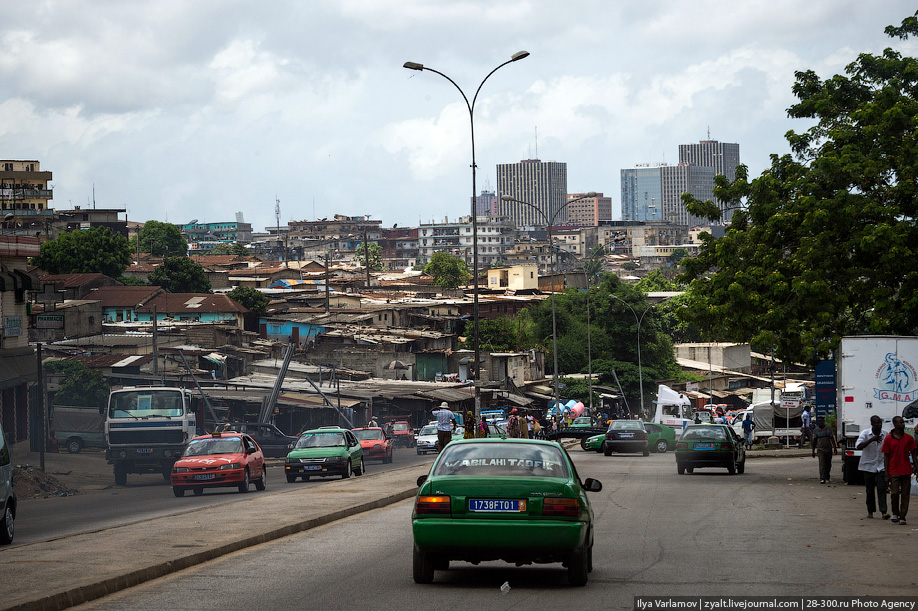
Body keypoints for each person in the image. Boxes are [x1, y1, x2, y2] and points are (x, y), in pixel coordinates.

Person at [880, 415, 918, 525]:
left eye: (903, 422)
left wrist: (916, 468)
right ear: (895, 424)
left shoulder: (908, 438)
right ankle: (895, 513)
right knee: (895, 493)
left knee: (905, 495)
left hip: (906, 470)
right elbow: (886, 456)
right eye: (900, 422)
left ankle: (902, 516)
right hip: (893, 470)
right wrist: (886, 473)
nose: (902, 424)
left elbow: (914, 454)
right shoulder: (888, 439)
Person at [856, 415, 889, 520]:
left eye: (880, 423)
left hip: (881, 465)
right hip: (868, 466)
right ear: (872, 424)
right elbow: (859, 446)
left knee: (882, 488)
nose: (879, 425)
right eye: (876, 423)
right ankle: (870, 510)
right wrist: (872, 439)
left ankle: (884, 511)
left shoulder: (885, 434)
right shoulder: (865, 433)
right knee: (869, 490)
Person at [811, 415, 838, 483]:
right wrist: (813, 451)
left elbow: (832, 438)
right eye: (819, 421)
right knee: (822, 464)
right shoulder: (816, 430)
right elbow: (814, 441)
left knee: (828, 464)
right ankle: (822, 478)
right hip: (820, 449)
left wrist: (834, 447)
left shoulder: (828, 428)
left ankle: (827, 477)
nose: (821, 422)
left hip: (828, 449)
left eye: (822, 421)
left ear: (824, 421)